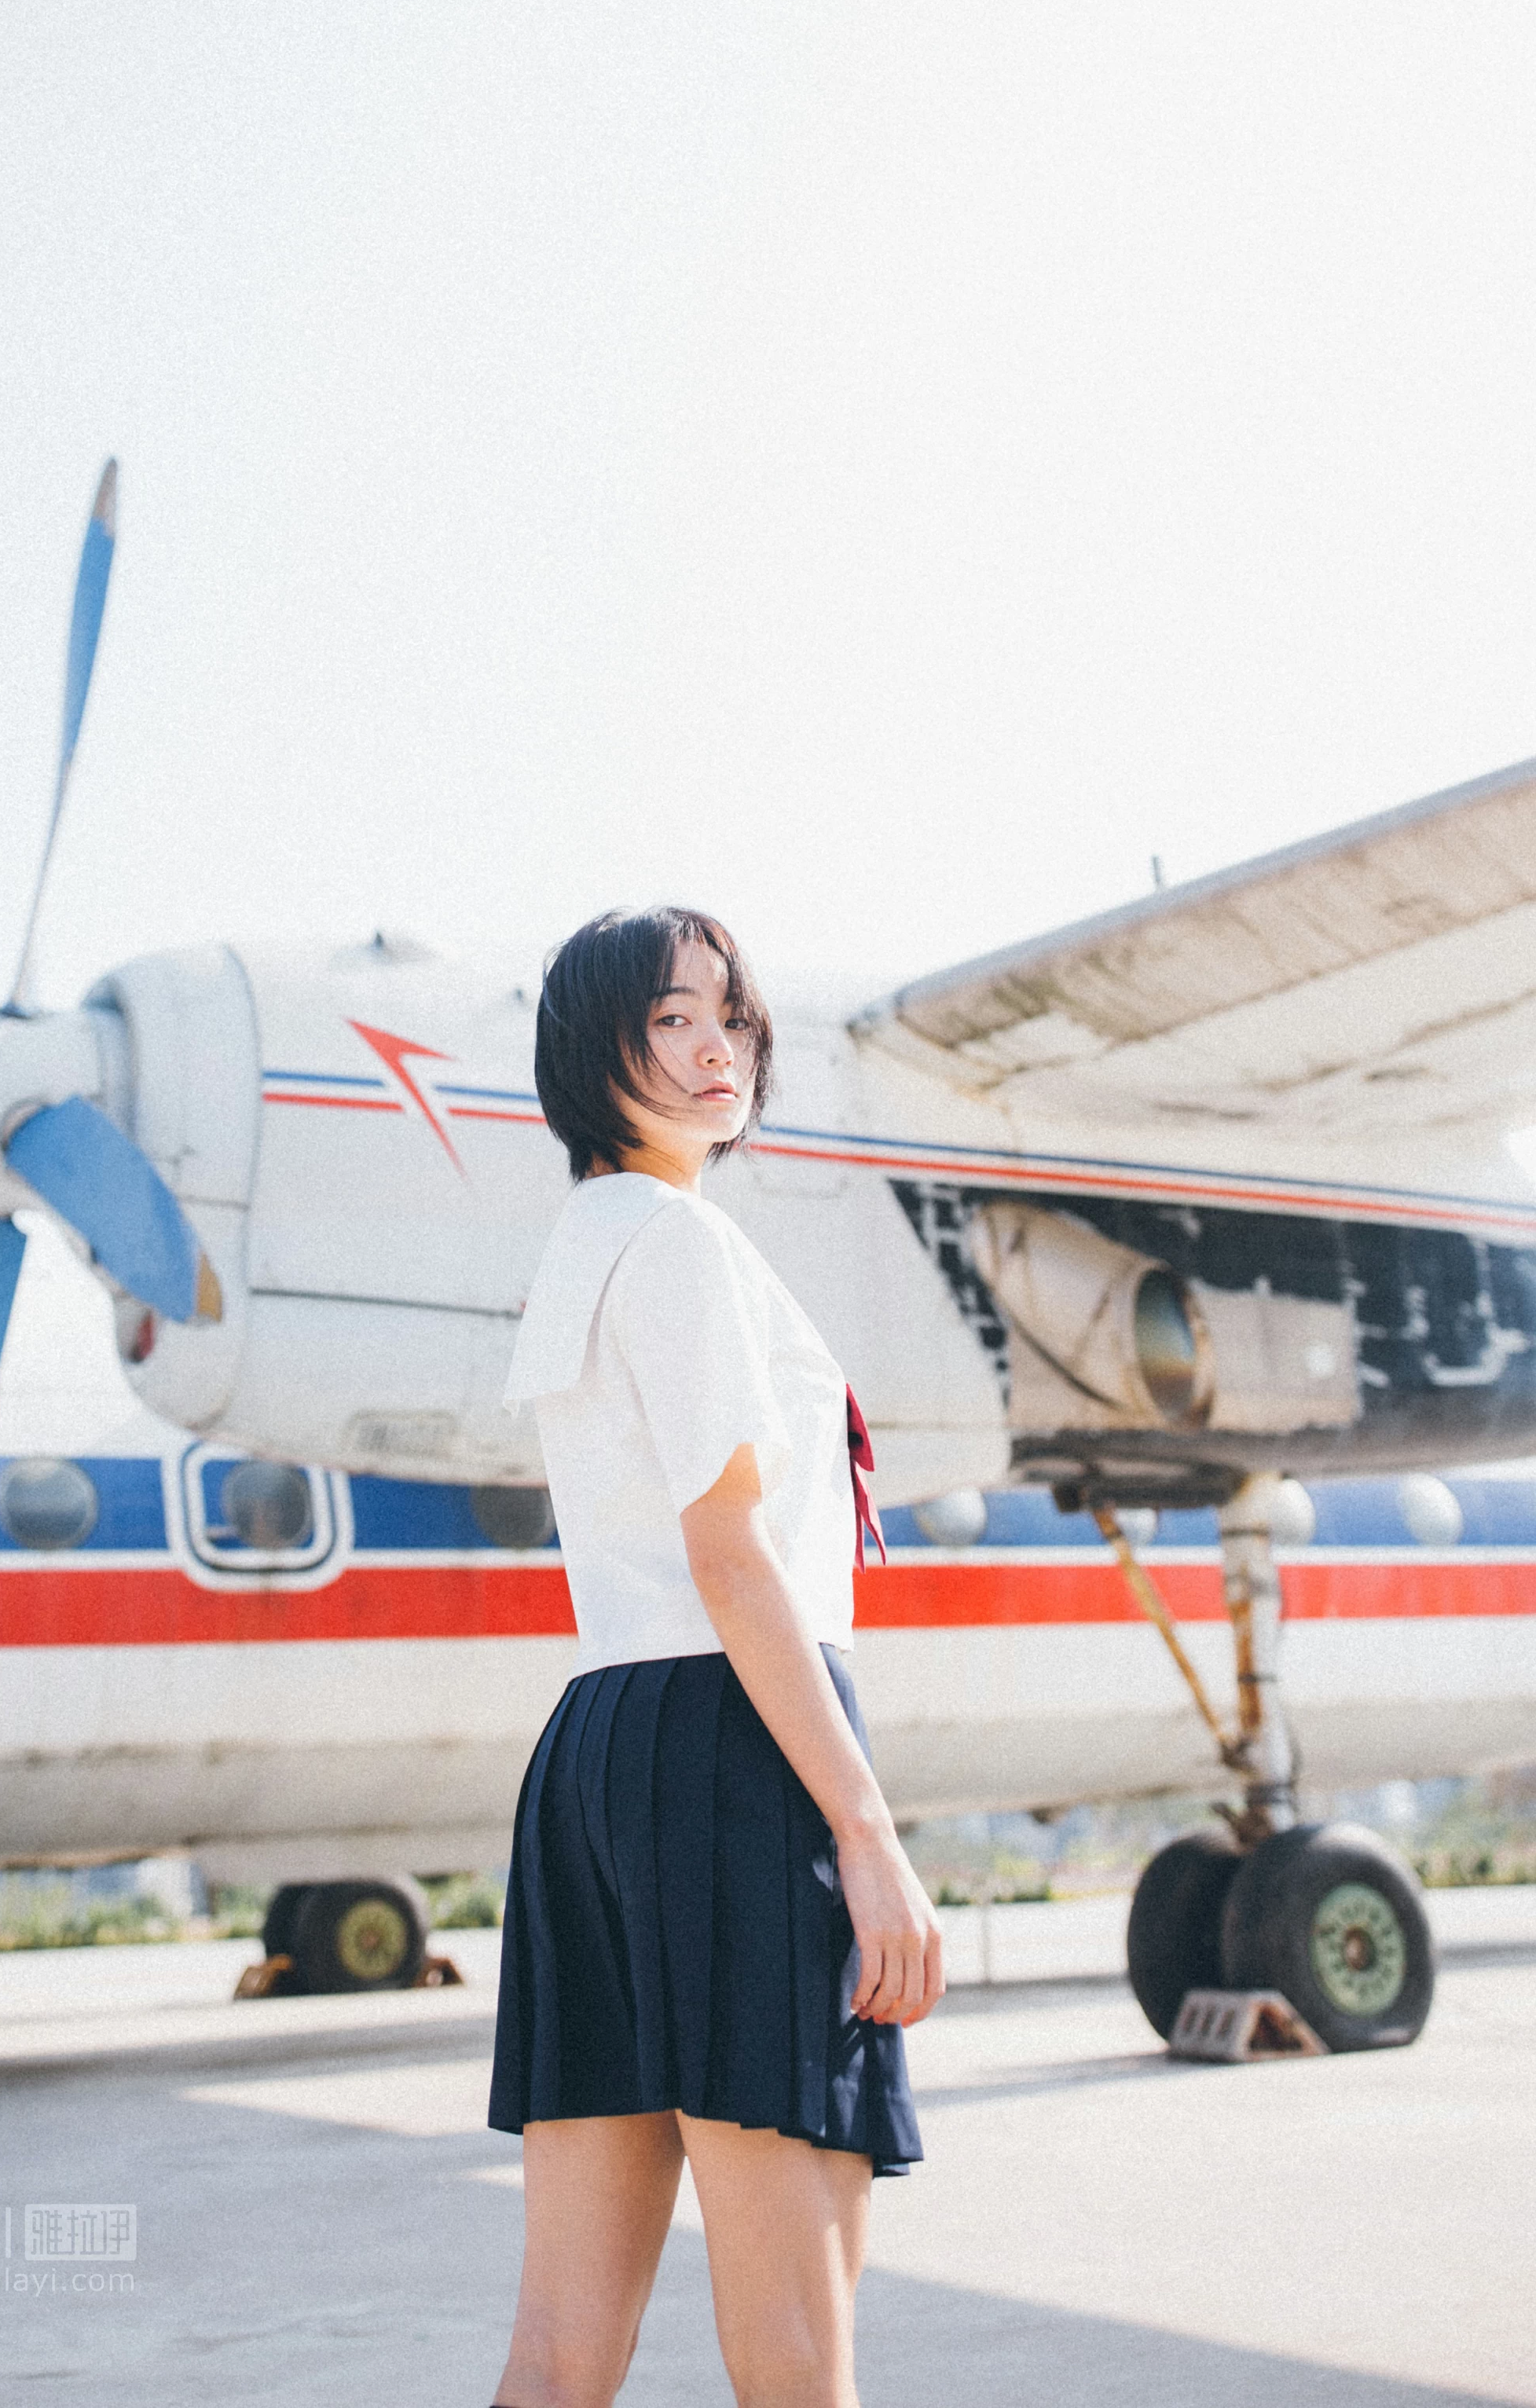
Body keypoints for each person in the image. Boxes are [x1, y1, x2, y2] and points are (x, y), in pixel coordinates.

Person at [489, 906, 944, 2408]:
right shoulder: (678, 1241)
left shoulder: (589, 1242)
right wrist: (865, 1829)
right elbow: (732, 1551)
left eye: (730, 1018)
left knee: (562, 2343)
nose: (715, 1050)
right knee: (803, 2344)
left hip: (599, 1755)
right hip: (735, 1744)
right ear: (592, 1052)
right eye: (671, 1019)